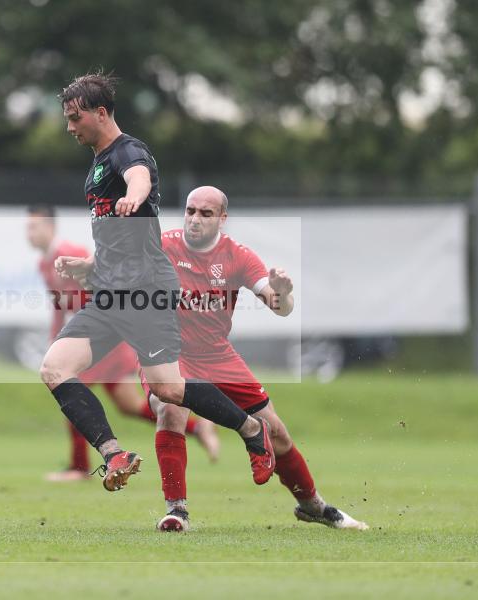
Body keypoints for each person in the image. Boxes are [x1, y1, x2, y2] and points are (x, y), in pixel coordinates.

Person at [41, 71, 275, 493]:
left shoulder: (128, 151)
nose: (70, 127)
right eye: (67, 118)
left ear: (101, 112)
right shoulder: (97, 162)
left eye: (75, 117)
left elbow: (139, 176)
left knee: (168, 388)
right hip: (111, 293)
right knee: (55, 368)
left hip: (146, 291)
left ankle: (250, 429)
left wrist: (136, 193)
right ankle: (114, 454)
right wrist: (91, 265)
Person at [149, 185, 369, 532]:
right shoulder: (162, 244)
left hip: (216, 353)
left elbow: (280, 308)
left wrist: (282, 292)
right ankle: (177, 511)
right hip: (168, 350)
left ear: (223, 218)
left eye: (206, 214)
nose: (194, 219)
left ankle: (313, 505)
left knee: (277, 432)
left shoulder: (237, 255)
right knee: (170, 409)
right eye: (190, 211)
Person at [26, 205, 219, 481]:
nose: (29, 233)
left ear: (50, 227)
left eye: (34, 227)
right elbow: (60, 304)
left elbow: (103, 287)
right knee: (130, 406)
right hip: (93, 336)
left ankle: (79, 467)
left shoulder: (71, 253)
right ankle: (197, 428)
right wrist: (56, 336)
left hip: (105, 338)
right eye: (27, 227)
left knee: (71, 389)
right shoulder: (44, 263)